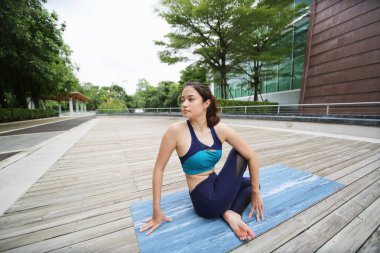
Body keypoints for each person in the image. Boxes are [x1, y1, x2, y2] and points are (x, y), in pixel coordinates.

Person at [140, 82, 264, 241]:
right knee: (240, 155)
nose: (184, 104)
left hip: (215, 183)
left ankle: (231, 213)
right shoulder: (175, 131)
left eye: (191, 99)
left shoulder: (219, 129)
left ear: (206, 103)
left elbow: (251, 155)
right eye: (183, 99)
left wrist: (256, 193)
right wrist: (156, 211)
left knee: (253, 184)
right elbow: (159, 169)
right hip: (205, 200)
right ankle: (227, 211)